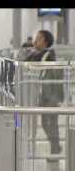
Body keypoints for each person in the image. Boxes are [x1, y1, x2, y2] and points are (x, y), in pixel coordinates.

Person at [26, 30, 63, 158]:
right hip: (44, 95)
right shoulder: (37, 54)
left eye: (39, 38)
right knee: (45, 123)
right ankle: (56, 147)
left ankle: (55, 150)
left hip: (51, 96)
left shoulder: (48, 55)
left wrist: (56, 98)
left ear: (46, 42)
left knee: (51, 123)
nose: (36, 40)